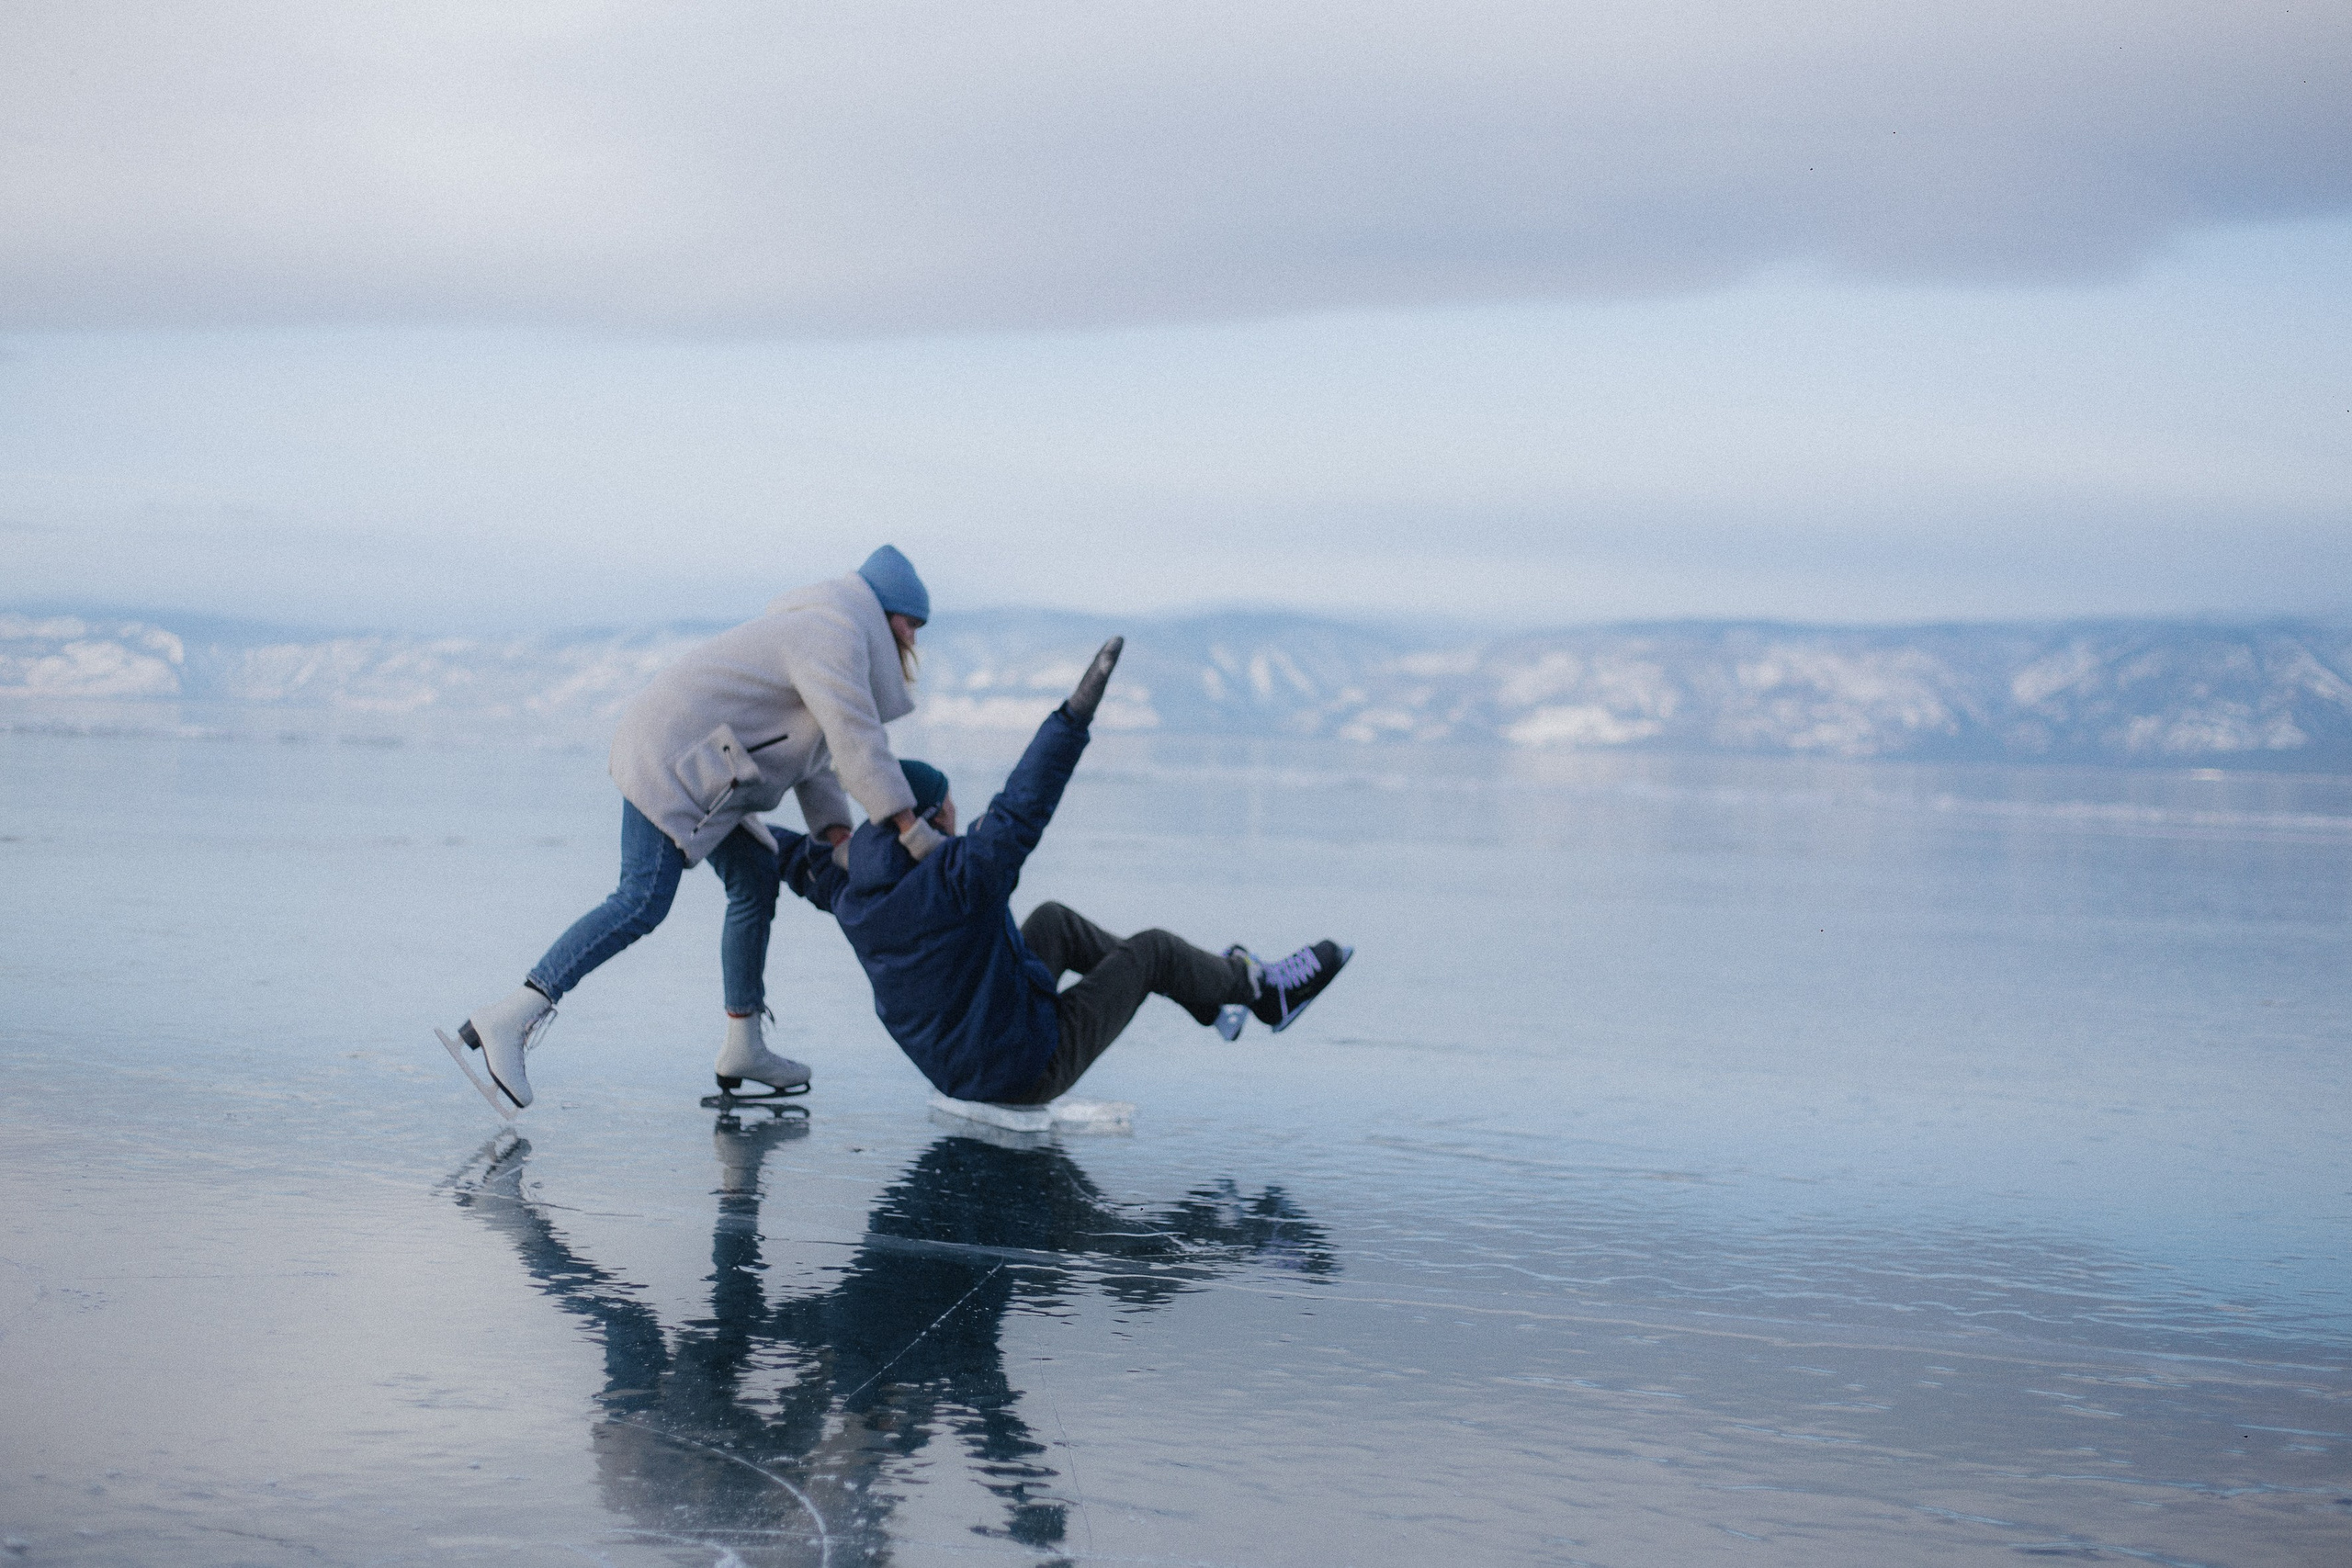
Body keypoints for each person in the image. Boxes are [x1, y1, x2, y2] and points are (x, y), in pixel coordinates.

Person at [443, 546, 948, 1116]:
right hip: (671, 759)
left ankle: (744, 1045)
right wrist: (909, 828)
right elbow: (858, 739)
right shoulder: (831, 630)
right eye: (910, 621)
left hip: (714, 774)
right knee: (640, 901)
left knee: (756, 881)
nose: (913, 636)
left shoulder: (837, 634)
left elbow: (822, 755)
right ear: (883, 610)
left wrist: (838, 841)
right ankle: (512, 1016)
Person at [778, 637, 1351, 1108]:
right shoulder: (960, 877)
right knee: (1154, 952)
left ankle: (1211, 999)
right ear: (927, 818)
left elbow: (789, 858)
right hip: (1020, 1069)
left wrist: (724, 807)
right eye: (949, 807)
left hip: (957, 1056)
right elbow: (1022, 807)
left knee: (1053, 922)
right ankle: (1260, 989)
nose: (957, 815)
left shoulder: (854, 883)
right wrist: (1074, 716)